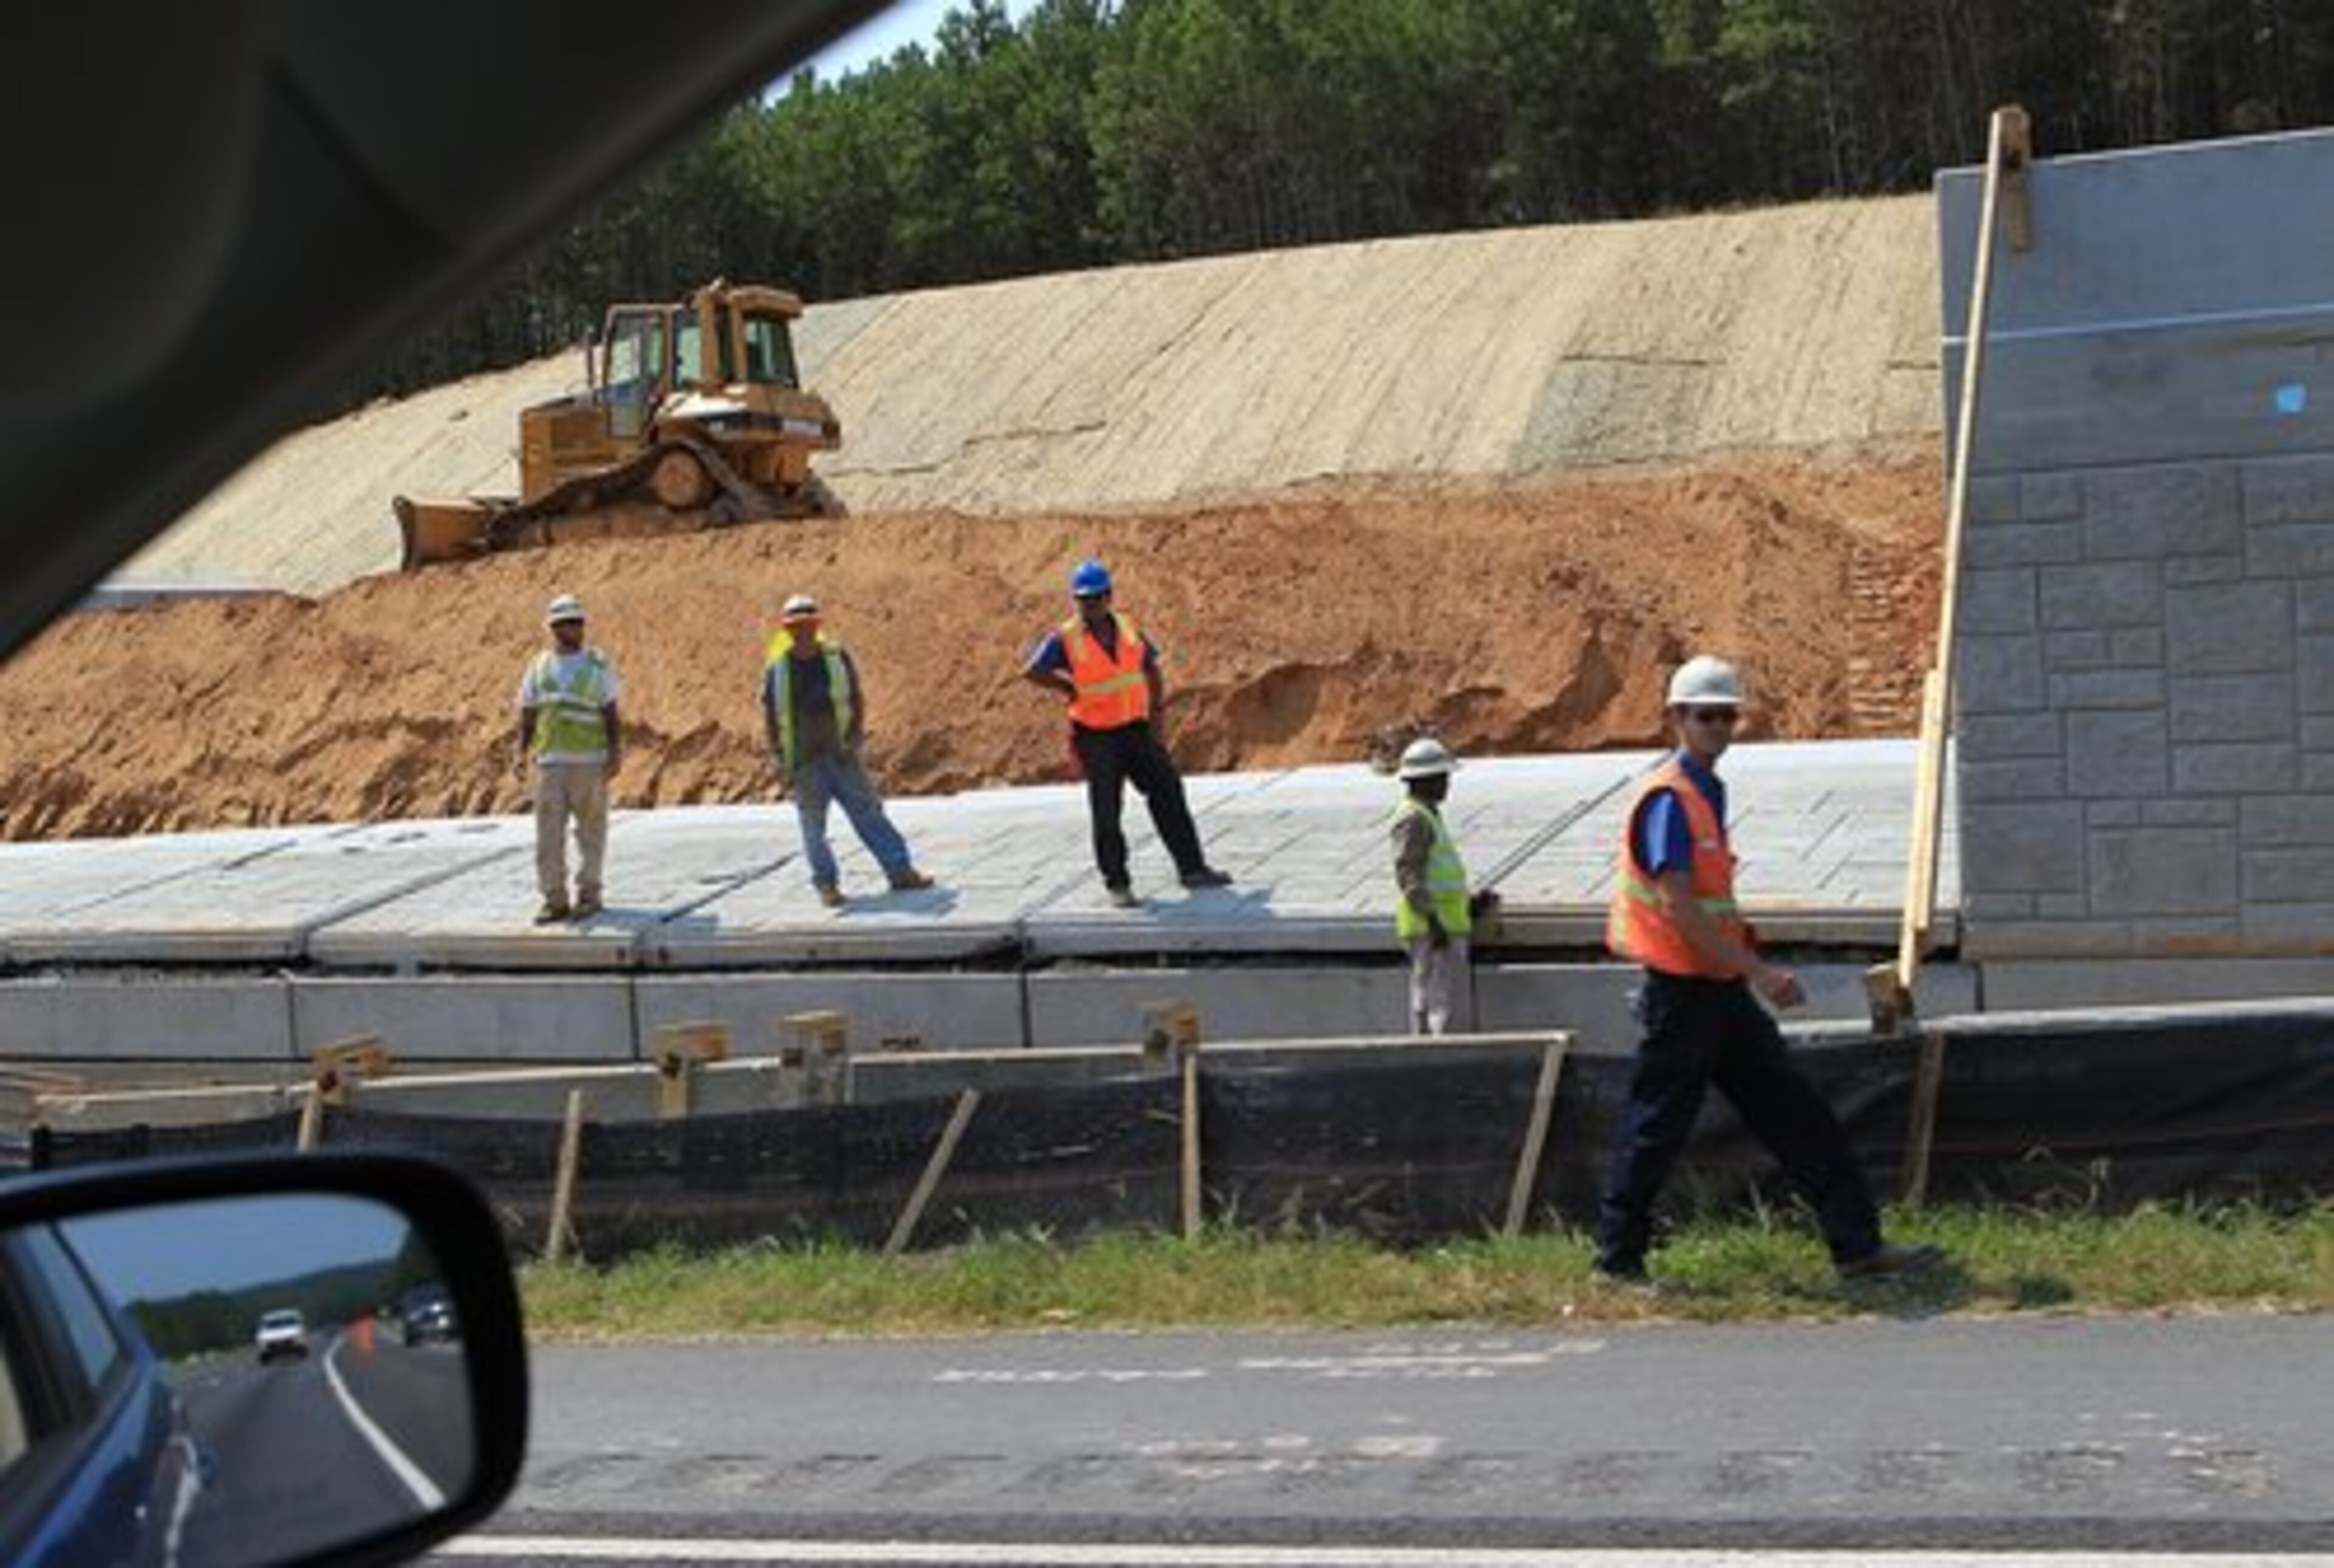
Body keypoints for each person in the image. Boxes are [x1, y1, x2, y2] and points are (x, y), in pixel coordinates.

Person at [1596, 654, 1941, 1285]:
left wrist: (1741, 969)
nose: (1721, 727)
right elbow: (1678, 907)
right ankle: (1616, 1262)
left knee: (1798, 1115)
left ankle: (1858, 1247)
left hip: (1718, 993)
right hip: (1683, 994)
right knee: (1656, 1129)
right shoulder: (1669, 800)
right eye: (1707, 716)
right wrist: (1758, 973)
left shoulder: (1704, 791)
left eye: (1728, 716)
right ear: (1676, 718)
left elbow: (1710, 905)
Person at [1022, 559, 1231, 908]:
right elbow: (1031, 670)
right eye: (1083, 599)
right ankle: (1117, 883)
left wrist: (1157, 717)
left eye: (1095, 598)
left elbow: (1151, 668)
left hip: (1136, 730)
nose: (1089, 605)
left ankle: (1193, 868)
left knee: (1168, 792)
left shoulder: (1129, 628)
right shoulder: (1065, 638)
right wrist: (1066, 687)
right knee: (1107, 810)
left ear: (1109, 596)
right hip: (1096, 737)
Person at [762, 593, 934, 907]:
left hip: (841, 753)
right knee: (813, 827)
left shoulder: (836, 658)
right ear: (787, 631)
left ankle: (900, 871)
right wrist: (780, 761)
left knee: (868, 812)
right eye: (796, 627)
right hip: (804, 762)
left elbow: (856, 698)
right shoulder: (779, 670)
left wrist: (854, 738)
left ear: (817, 626)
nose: (803, 632)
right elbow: (772, 718)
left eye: (809, 625)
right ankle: (827, 886)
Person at [514, 593, 621, 923]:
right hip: (550, 762)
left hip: (590, 761)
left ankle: (590, 895)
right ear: (553, 628)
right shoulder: (539, 666)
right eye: (565, 624)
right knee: (549, 836)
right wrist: (521, 751)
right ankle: (554, 899)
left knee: (591, 833)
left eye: (576, 622)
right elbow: (528, 711)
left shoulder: (597, 665)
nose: (572, 628)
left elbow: (610, 711)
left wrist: (615, 752)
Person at [1389, 737, 1498, 1035]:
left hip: (1444, 926)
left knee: (1447, 1002)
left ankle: (1443, 1059)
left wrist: (1469, 904)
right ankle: (1438, 1064)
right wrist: (1432, 921)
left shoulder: (1428, 815)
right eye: (1443, 778)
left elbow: (1439, 878)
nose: (1447, 784)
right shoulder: (1413, 819)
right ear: (1426, 780)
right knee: (1440, 1006)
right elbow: (1408, 873)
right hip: (1432, 930)